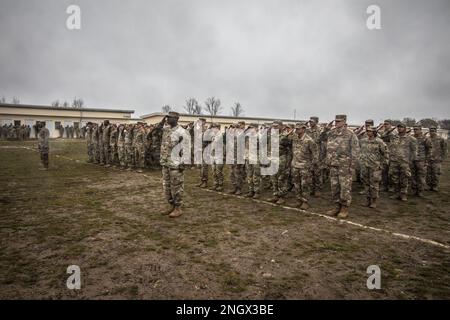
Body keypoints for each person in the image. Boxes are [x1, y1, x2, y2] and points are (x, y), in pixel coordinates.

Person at [320, 114, 360, 218]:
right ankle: (336, 206)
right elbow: (320, 138)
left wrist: (352, 166)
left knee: (345, 187)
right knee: (334, 187)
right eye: (335, 121)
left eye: (338, 121)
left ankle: (344, 208)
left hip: (345, 165)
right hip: (333, 164)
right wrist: (326, 129)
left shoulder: (350, 134)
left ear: (344, 122)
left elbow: (355, 151)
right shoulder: (331, 133)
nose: (336, 123)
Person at [160, 112, 189, 218]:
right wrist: (162, 120)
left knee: (176, 187)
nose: (167, 119)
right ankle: (171, 205)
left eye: (170, 118)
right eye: (167, 117)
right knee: (166, 186)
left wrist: (183, 163)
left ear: (176, 119)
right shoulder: (166, 129)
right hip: (165, 162)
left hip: (176, 164)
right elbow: (155, 131)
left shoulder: (182, 132)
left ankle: (178, 208)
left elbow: (186, 148)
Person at [358, 126, 389, 208]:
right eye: (367, 131)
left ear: (374, 132)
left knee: (374, 184)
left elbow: (385, 153)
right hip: (365, 165)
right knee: (366, 183)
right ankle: (367, 200)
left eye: (370, 131)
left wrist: (383, 164)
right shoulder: (363, 141)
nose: (368, 132)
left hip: (375, 166)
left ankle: (374, 201)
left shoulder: (379, 142)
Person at [291, 122, 318, 209]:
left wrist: (312, 165)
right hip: (295, 165)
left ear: (303, 129)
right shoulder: (295, 138)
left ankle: (305, 201)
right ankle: (298, 200)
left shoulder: (309, 140)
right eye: (296, 129)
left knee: (305, 185)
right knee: (297, 184)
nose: (296, 130)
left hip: (305, 166)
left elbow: (315, 153)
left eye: (298, 129)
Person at [389, 123, 417, 201]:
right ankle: (396, 193)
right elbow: (391, 147)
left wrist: (410, 161)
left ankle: (403, 194)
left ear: (405, 128)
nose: (399, 129)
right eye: (398, 127)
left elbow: (414, 151)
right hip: (394, 161)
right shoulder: (394, 137)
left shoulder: (411, 139)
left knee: (404, 178)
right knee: (395, 178)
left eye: (401, 127)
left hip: (404, 162)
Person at [411, 125, 432, 197]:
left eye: (416, 129)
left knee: (421, 176)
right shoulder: (411, 138)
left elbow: (429, 150)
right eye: (414, 129)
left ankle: (420, 191)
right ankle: (414, 190)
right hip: (412, 160)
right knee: (413, 176)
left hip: (421, 160)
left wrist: (427, 160)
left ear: (420, 130)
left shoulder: (425, 139)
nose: (415, 130)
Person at [427, 126, 448, 191]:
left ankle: (435, 186)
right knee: (428, 173)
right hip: (429, 159)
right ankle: (429, 186)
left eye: (433, 130)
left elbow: (444, 149)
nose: (432, 132)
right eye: (431, 130)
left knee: (435, 173)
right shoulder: (427, 139)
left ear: (435, 131)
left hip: (437, 159)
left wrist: (443, 158)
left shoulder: (440, 139)